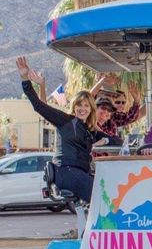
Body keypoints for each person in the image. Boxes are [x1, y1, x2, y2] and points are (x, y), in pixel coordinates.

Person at [16, 56, 121, 203]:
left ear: (91, 108)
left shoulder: (90, 129)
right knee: (102, 198)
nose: (82, 109)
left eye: (86, 105)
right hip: (66, 171)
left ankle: (90, 225)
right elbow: (39, 106)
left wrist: (106, 140)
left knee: (110, 190)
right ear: (74, 106)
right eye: (79, 105)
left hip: (80, 172)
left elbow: (117, 141)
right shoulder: (66, 120)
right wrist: (25, 79)